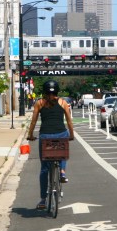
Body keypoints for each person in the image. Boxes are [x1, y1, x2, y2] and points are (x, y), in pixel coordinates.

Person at [27, 80, 74, 210]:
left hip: (45, 136)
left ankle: (43, 200)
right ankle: (62, 172)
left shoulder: (39, 103)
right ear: (57, 90)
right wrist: (71, 135)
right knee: (62, 153)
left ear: (44, 91)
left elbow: (33, 121)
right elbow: (69, 121)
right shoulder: (63, 102)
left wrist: (30, 135)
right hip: (61, 133)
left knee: (44, 168)